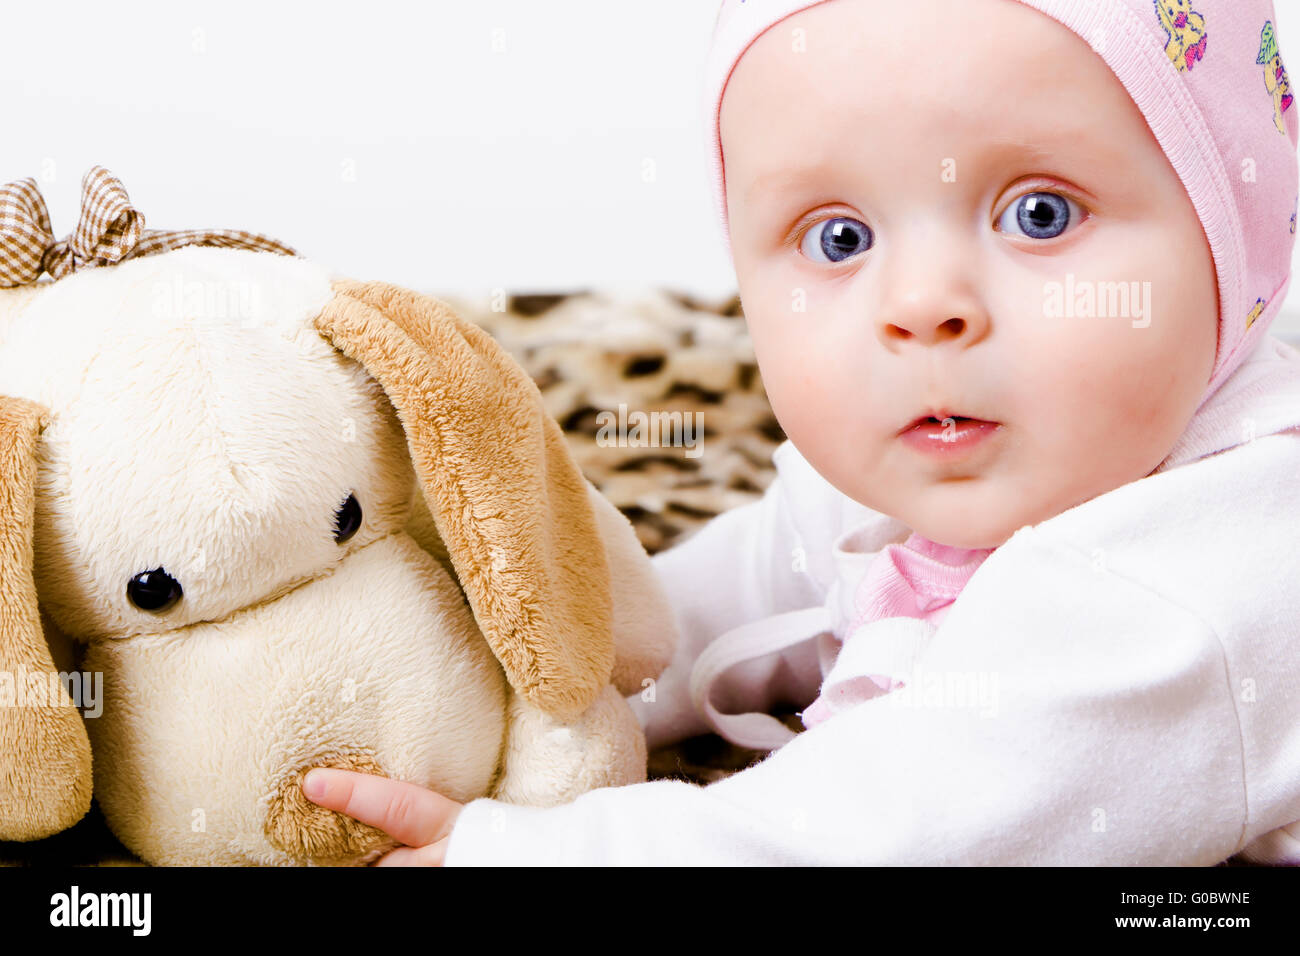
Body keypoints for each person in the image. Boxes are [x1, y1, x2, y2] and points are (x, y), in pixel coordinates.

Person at [302, 0, 1300, 865]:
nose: (920, 306)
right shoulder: (954, 440)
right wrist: (523, 688)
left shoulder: (1191, 590)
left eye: (1038, 213)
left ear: (1240, 235)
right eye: (840, 238)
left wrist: (547, 850)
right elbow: (739, 583)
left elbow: (896, 831)